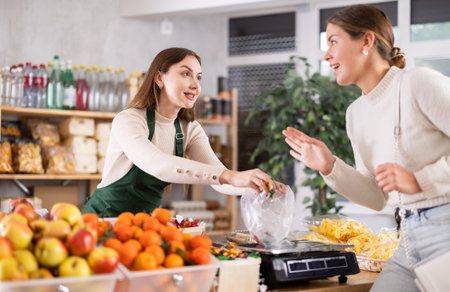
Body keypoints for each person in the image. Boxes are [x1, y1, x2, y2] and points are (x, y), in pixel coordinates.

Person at [282, 5, 450, 292]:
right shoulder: (356, 114)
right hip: (406, 239)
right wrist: (329, 166)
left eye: (333, 41)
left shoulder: (418, 82)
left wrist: (418, 181)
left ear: (366, 41)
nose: (327, 55)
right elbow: (377, 197)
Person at [84, 47, 284, 217]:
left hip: (142, 231)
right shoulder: (129, 120)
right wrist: (230, 176)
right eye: (185, 73)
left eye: (198, 77)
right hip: (101, 222)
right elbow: (158, 165)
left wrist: (256, 184)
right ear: (159, 78)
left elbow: (219, 182)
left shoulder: (189, 129)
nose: (195, 85)